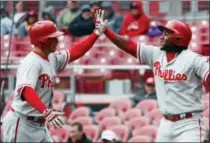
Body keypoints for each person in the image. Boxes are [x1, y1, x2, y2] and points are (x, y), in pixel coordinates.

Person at [93, 10, 210, 142]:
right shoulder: (155, 54)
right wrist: (106, 31)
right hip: (166, 123)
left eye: (166, 34)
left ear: (178, 38)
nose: (161, 36)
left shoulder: (194, 59)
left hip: (189, 124)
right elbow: (128, 45)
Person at [1, 10, 105, 142]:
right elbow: (26, 91)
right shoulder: (31, 63)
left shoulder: (51, 58)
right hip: (22, 124)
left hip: (39, 125)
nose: (57, 40)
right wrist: (46, 111)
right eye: (53, 37)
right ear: (43, 41)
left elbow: (76, 51)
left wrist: (96, 33)